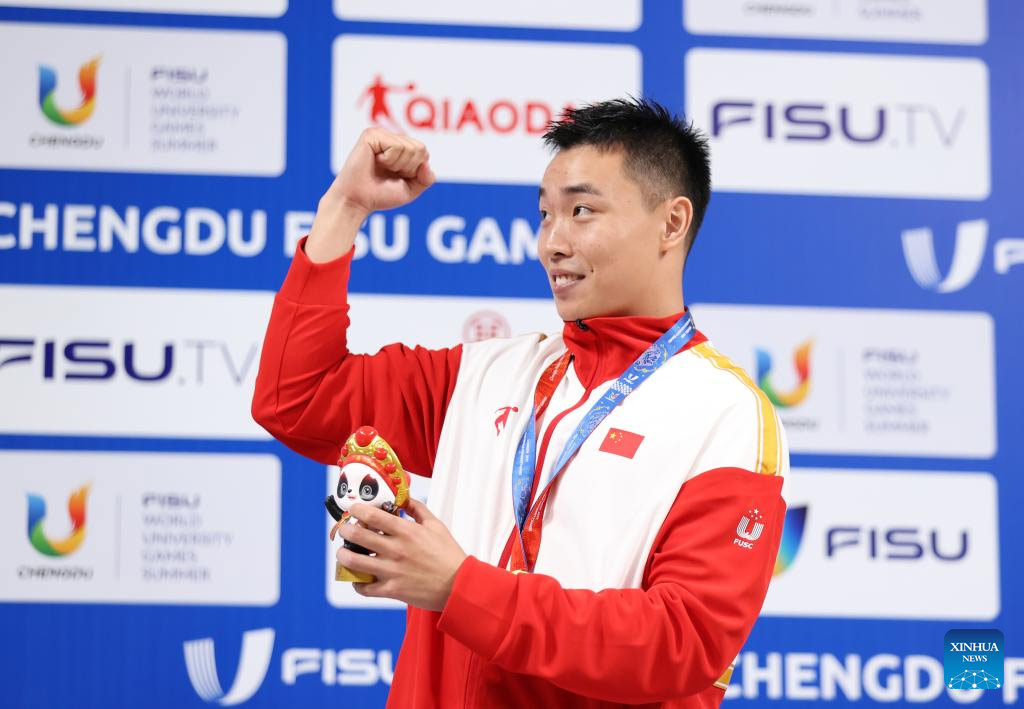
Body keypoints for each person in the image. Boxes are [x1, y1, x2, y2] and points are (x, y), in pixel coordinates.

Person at [252, 97, 790, 708]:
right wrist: (343, 209)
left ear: (671, 223)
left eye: (581, 211)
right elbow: (295, 398)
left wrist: (462, 588)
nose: (551, 244)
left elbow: (683, 644)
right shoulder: (486, 376)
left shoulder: (725, 413)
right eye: (544, 215)